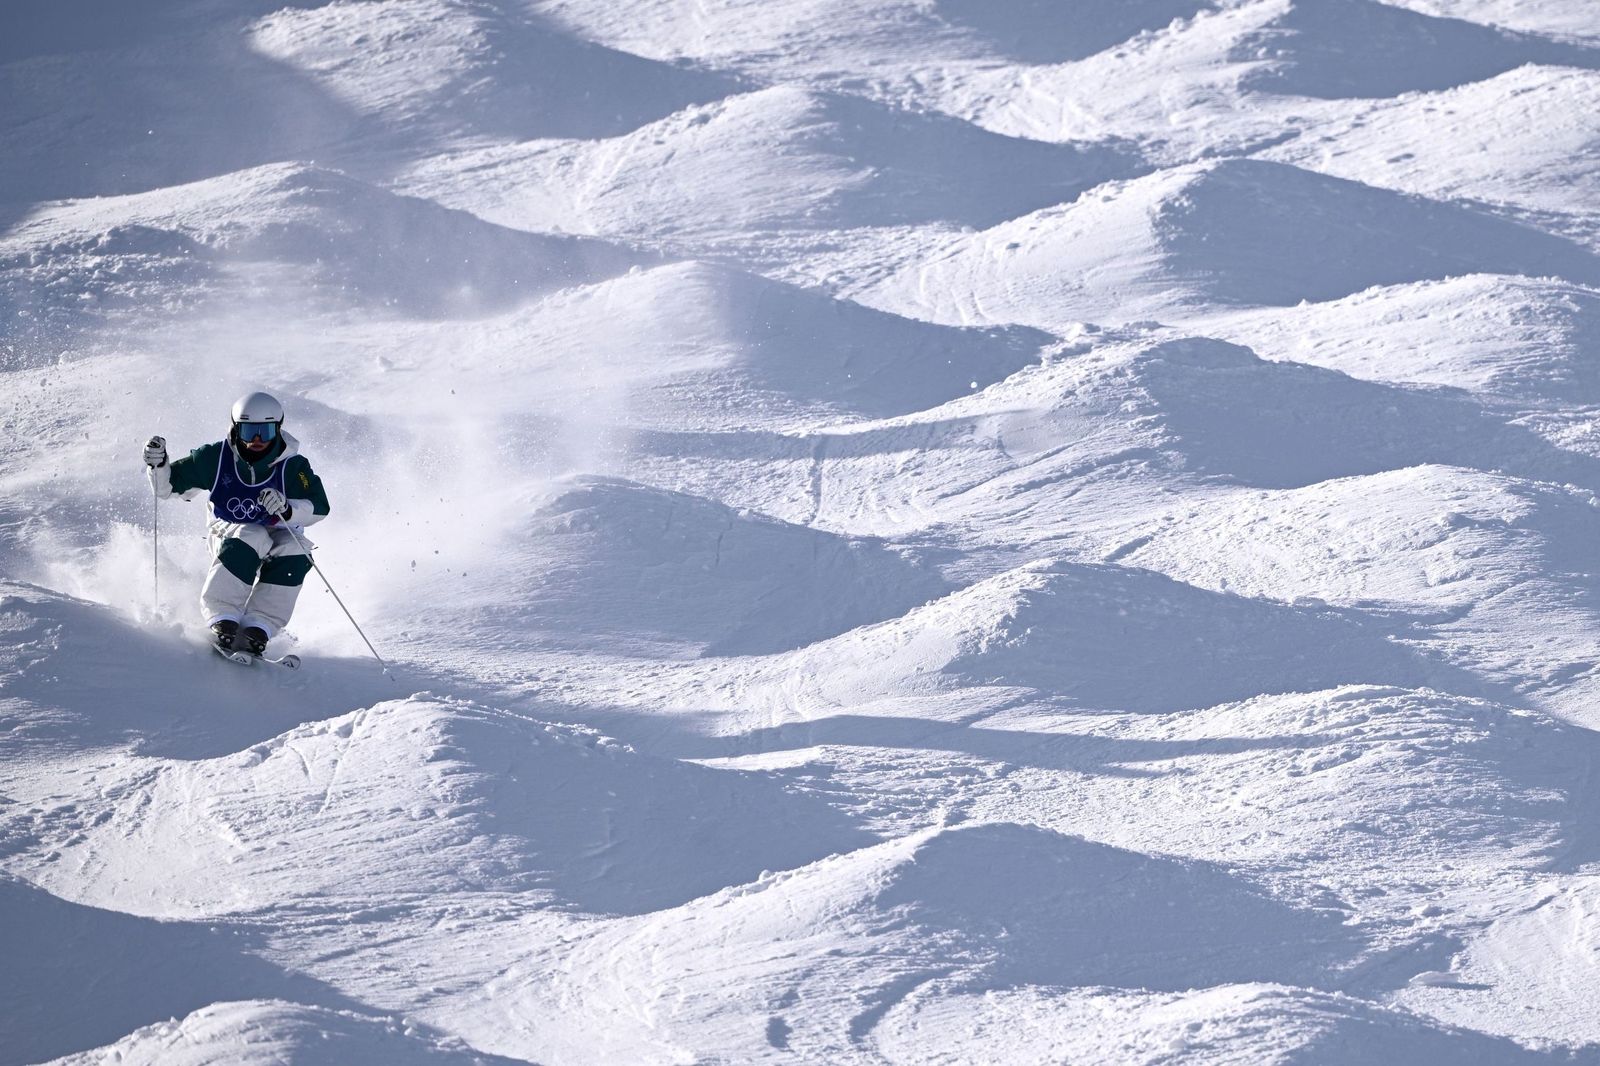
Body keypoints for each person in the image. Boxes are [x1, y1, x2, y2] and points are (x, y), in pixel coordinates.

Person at [143, 392, 330, 656]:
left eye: (265, 432)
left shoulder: (293, 466)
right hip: (229, 532)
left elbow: (319, 505)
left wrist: (288, 509)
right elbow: (168, 488)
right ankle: (223, 617)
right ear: (235, 428)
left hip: (278, 531)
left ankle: (259, 626)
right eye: (248, 431)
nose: (256, 440)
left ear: (278, 428)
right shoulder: (215, 457)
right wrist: (159, 466)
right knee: (251, 534)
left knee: (297, 550)